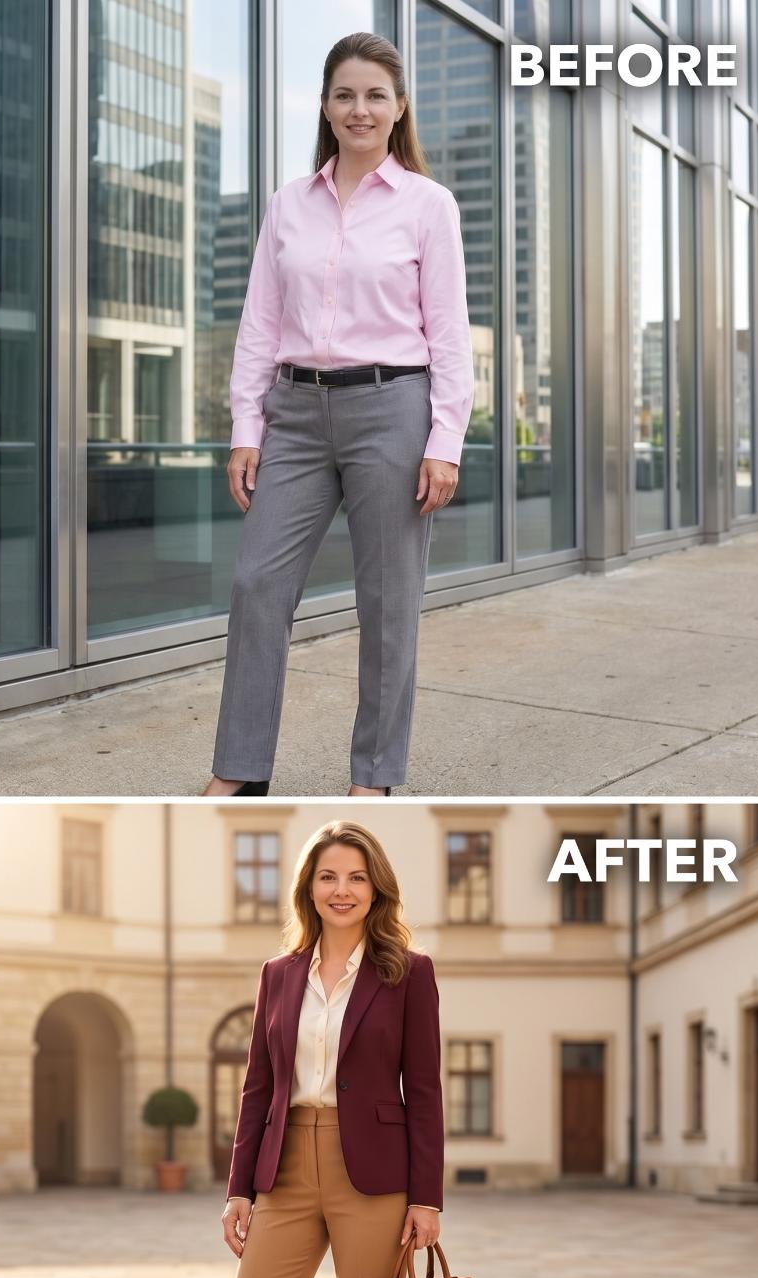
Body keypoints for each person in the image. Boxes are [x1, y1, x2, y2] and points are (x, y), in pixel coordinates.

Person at [162, 820, 445, 1278]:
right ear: (308, 888)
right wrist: (239, 1187)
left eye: (355, 877)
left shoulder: (406, 972)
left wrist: (427, 1198)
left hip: (374, 1179)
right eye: (328, 877)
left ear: (375, 887)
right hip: (286, 1171)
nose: (342, 889)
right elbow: (259, 1085)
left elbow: (422, 1090)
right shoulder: (278, 974)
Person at [203, 31, 474, 799]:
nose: (360, 109)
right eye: (345, 94)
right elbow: (258, 322)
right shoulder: (291, 203)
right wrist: (245, 429)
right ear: (325, 105)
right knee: (257, 585)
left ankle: (374, 779)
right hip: (292, 412)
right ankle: (239, 768)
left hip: (393, 408)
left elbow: (449, 334)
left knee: (387, 606)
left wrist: (444, 441)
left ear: (397, 110)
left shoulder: (428, 205)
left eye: (375, 96)